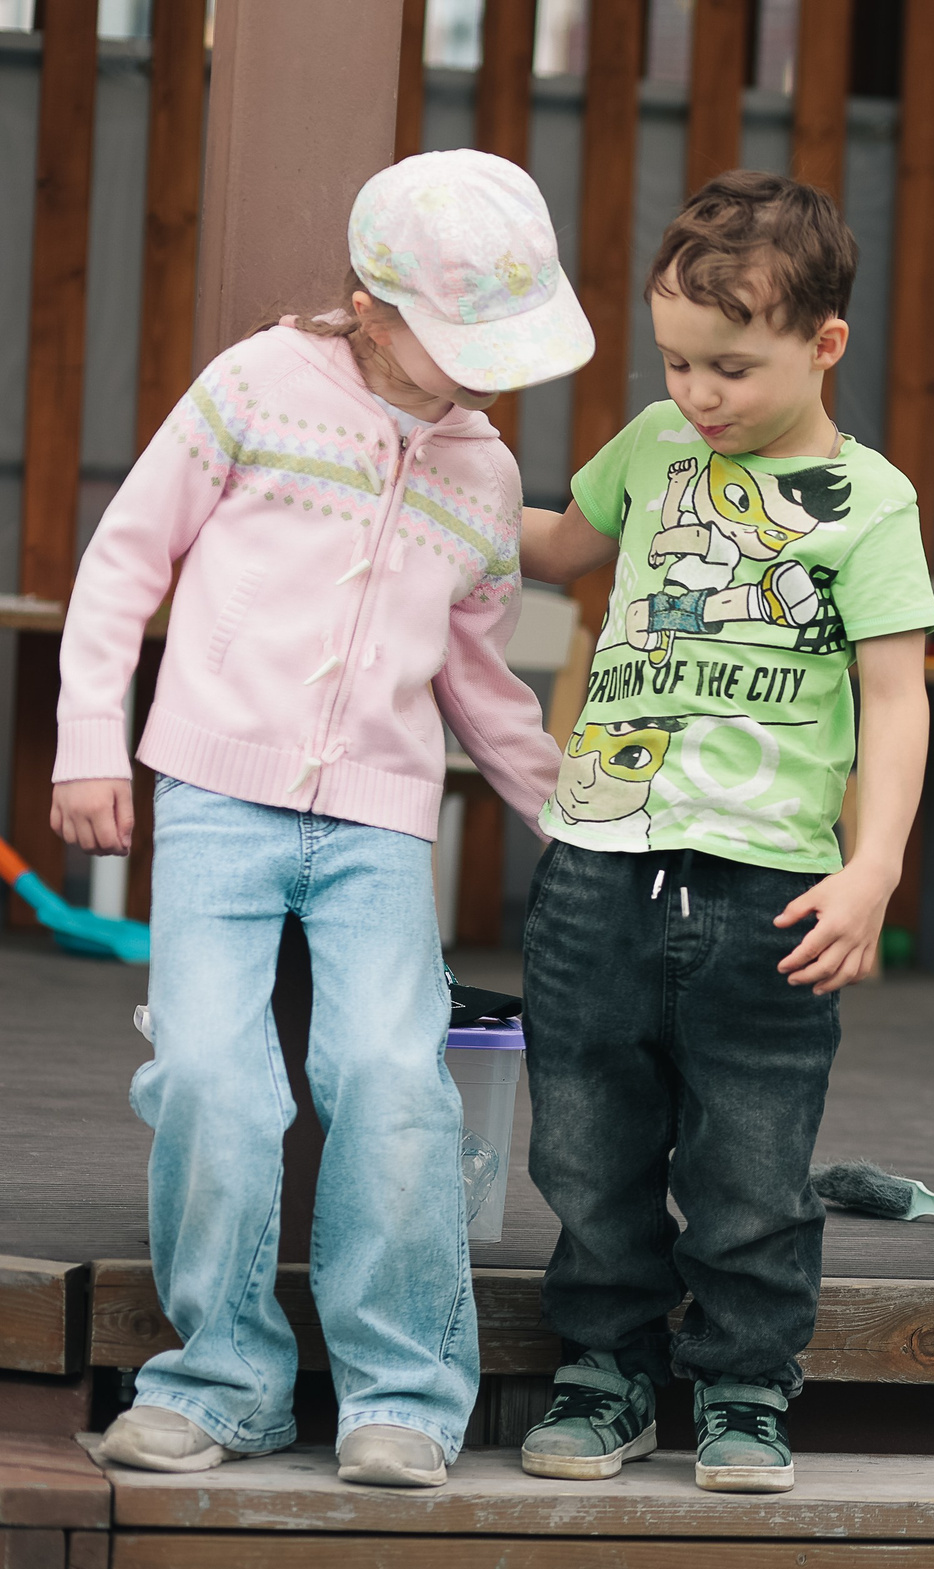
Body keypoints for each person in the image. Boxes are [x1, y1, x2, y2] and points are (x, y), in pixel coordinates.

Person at [52, 151, 588, 1489]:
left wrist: (575, 820)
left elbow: (480, 676)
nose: (481, 372)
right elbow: (123, 561)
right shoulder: (252, 389)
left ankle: (403, 1388)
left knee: (397, 1079)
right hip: (217, 798)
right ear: (371, 302)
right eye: (459, 340)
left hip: (379, 824)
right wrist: (85, 741)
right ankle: (221, 1377)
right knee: (215, 1079)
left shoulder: (480, 469)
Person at [509, 169, 934, 1494]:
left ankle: (746, 1385)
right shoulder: (652, 446)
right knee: (586, 1135)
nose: (698, 393)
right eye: (679, 362)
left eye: (731, 368)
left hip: (773, 882)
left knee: (751, 1150)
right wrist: (425, 479)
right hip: (600, 857)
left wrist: (873, 867)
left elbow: (895, 697)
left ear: (825, 344)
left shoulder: (871, 501)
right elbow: (559, 548)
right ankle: (605, 1371)